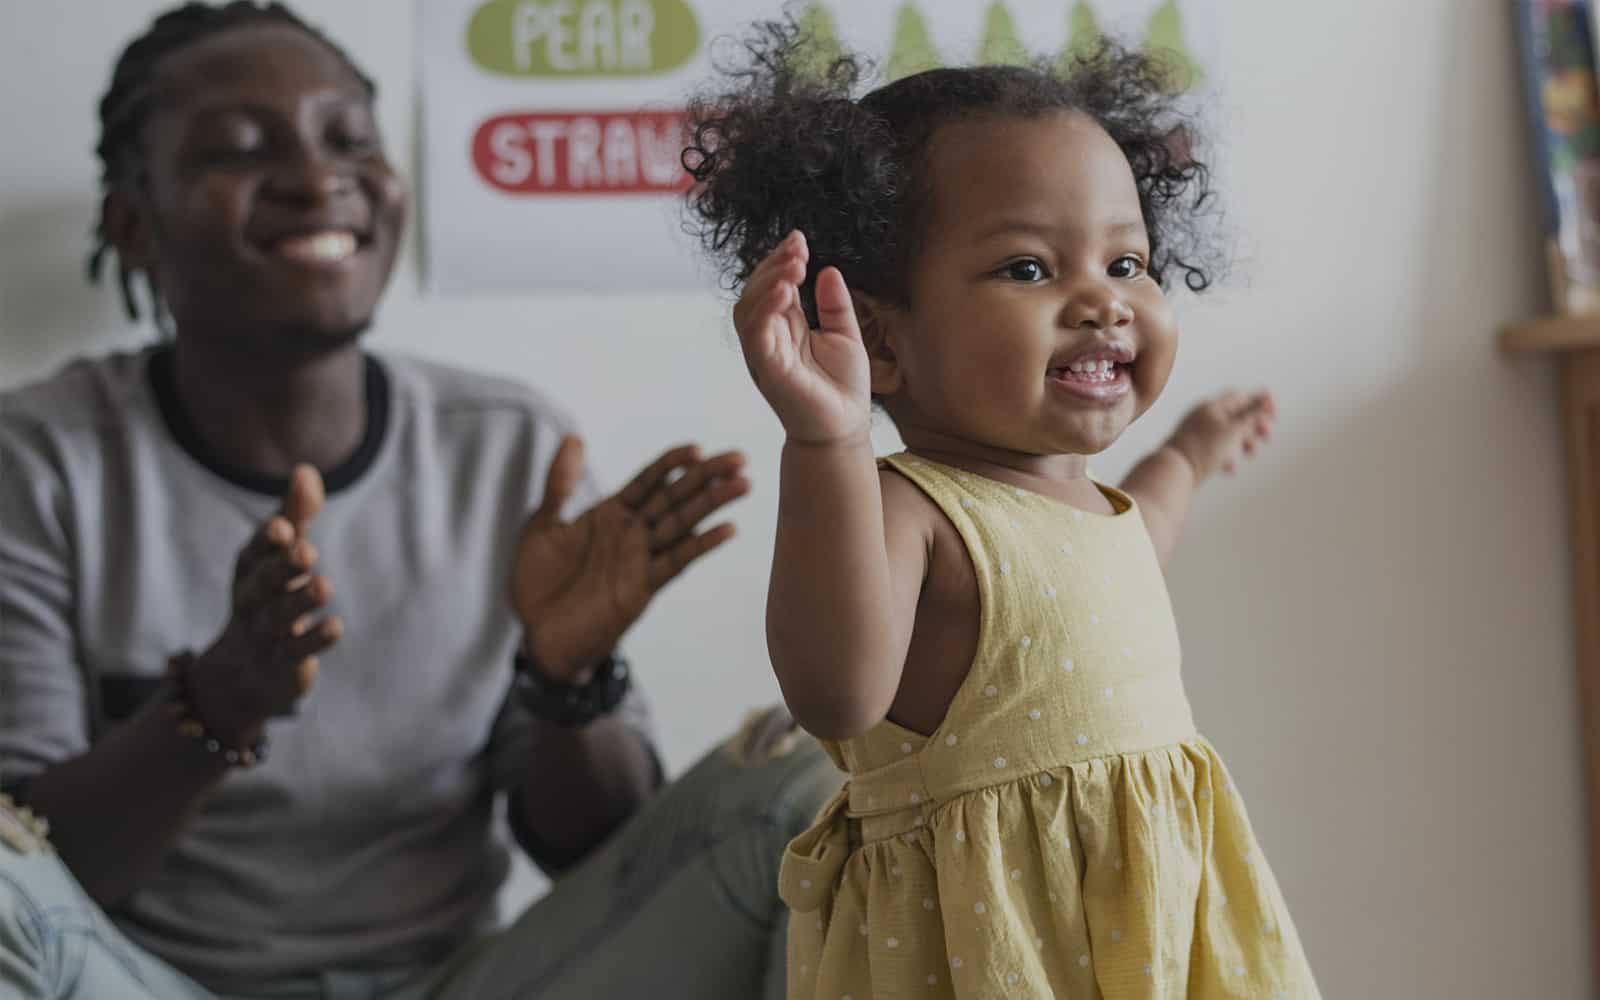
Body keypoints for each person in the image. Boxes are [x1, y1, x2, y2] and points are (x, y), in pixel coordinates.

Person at [0, 3, 839, 998]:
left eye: (349, 138)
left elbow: (610, 857)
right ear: (134, 225)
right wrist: (213, 702)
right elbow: (38, 866)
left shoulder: (507, 445)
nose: (318, 178)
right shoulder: (42, 461)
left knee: (811, 789)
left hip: (464, 984)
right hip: (140, 982)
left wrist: (565, 679)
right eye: (237, 150)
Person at [683, 23, 1322, 999]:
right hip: (996, 955)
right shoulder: (913, 510)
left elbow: (1134, 541)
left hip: (1150, 939)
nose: (1102, 303)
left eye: (1126, 263)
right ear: (881, 340)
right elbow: (836, 690)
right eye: (1029, 268)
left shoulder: (1083, 505)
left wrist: (1189, 454)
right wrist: (830, 443)